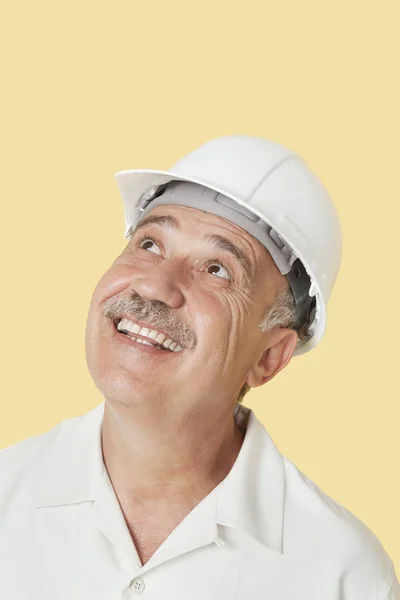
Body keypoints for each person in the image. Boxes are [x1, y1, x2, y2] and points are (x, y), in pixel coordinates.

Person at [0, 136, 398, 599]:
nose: (154, 286)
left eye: (218, 270)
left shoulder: (342, 577)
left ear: (269, 357)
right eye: (149, 243)